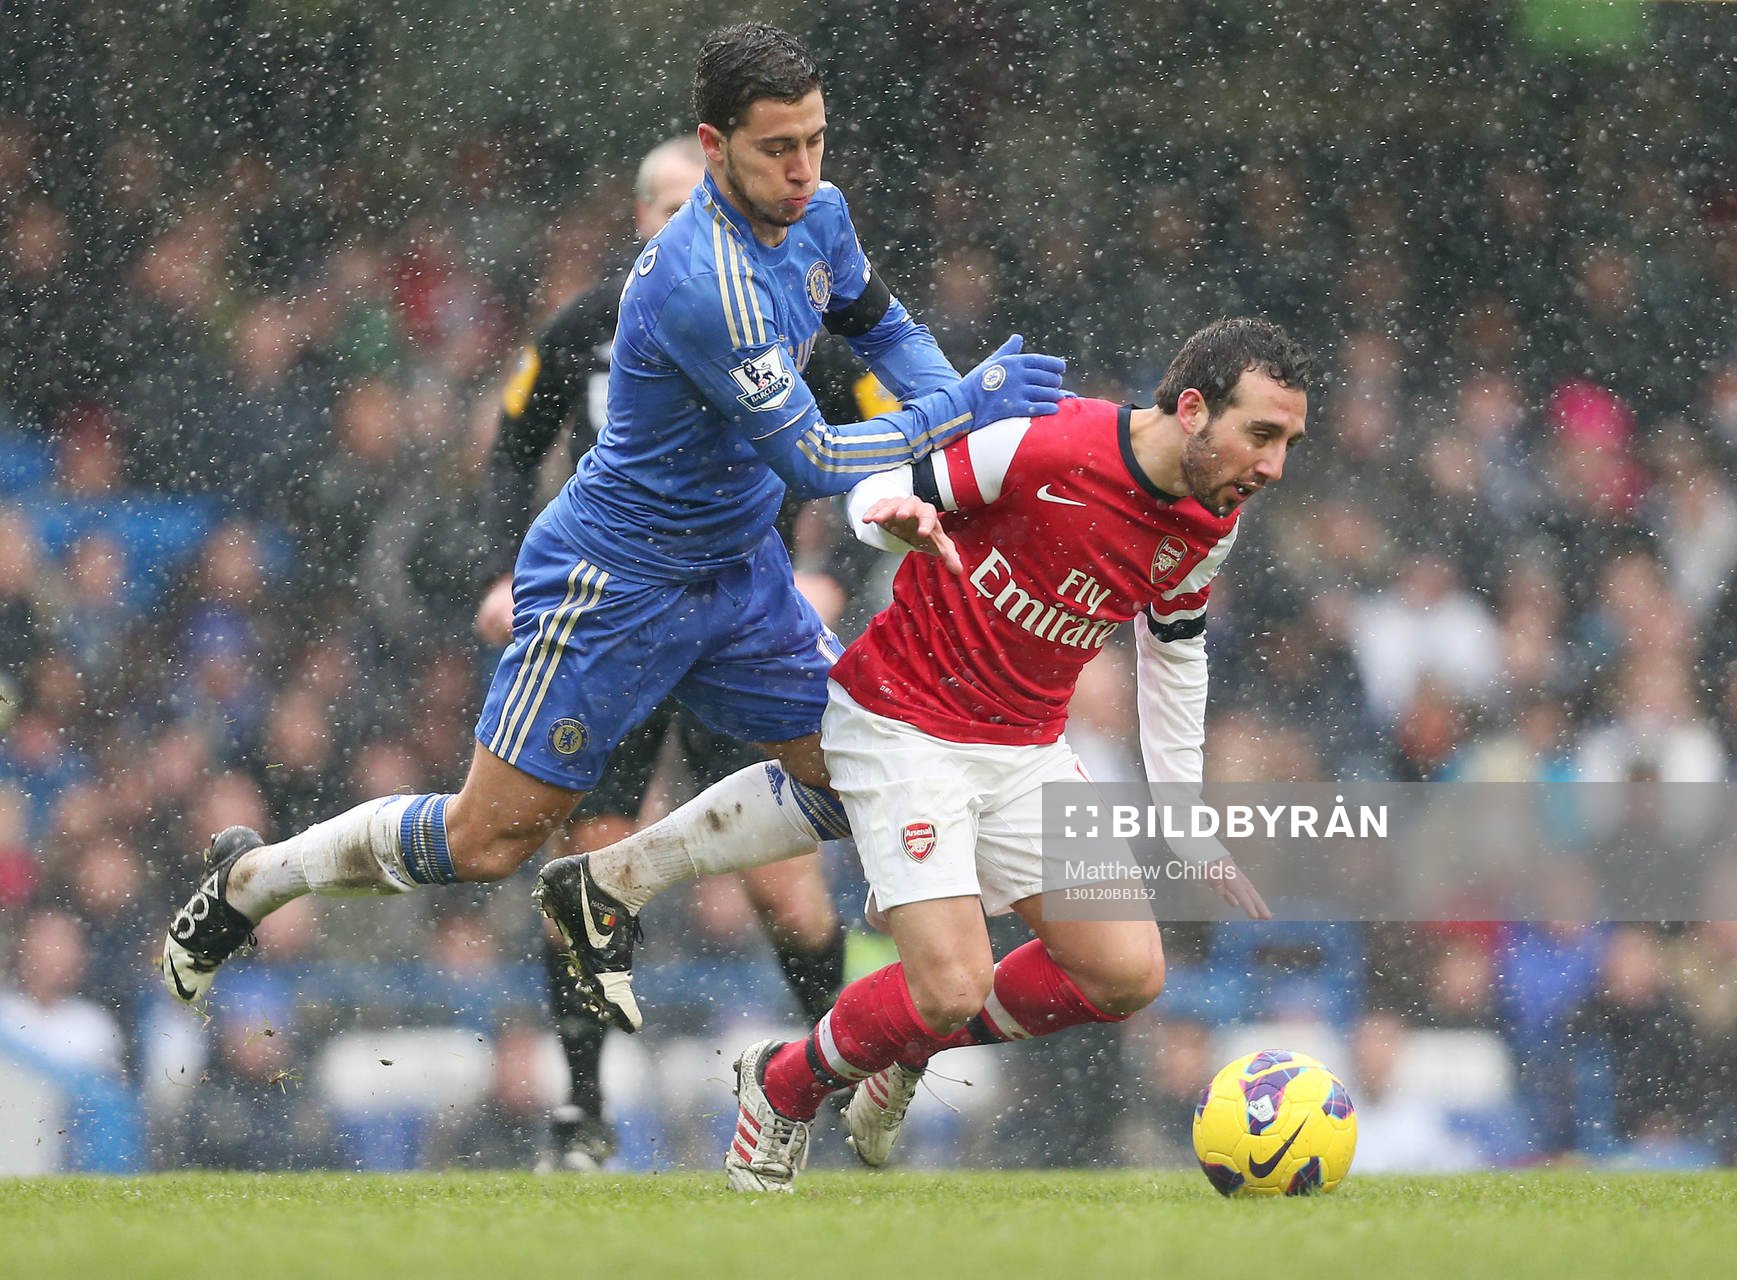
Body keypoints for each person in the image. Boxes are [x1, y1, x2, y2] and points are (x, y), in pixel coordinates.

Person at [160, 22, 1065, 1039]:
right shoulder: (697, 282)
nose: (805, 168)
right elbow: (810, 460)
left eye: (815, 139)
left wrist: (960, 411)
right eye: (779, 148)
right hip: (614, 581)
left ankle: (612, 883)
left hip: (740, 573)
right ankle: (257, 877)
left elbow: (882, 325)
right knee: (490, 835)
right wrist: (963, 411)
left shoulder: (822, 214)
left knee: (860, 767)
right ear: (713, 147)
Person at [541, 318, 1306, 1189]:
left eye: (1287, 441)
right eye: (1262, 435)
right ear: (1195, 408)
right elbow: (885, 488)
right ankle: (782, 1088)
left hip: (1024, 747)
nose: (1274, 465)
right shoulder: (1044, 445)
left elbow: (1174, 655)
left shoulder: (1212, 520)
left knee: (1125, 973)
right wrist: (888, 516)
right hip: (906, 721)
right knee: (947, 984)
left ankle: (900, 1049)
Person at [476, 135, 868, 1171]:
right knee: (590, 862)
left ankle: (847, 1085)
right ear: (640, 220)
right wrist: (504, 573)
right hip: (618, 625)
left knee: (787, 890)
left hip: (742, 629)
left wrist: (848, 577)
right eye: (669, 207)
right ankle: (584, 1112)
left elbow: (888, 436)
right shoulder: (587, 325)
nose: (691, 224)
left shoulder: (779, 316)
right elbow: (510, 453)